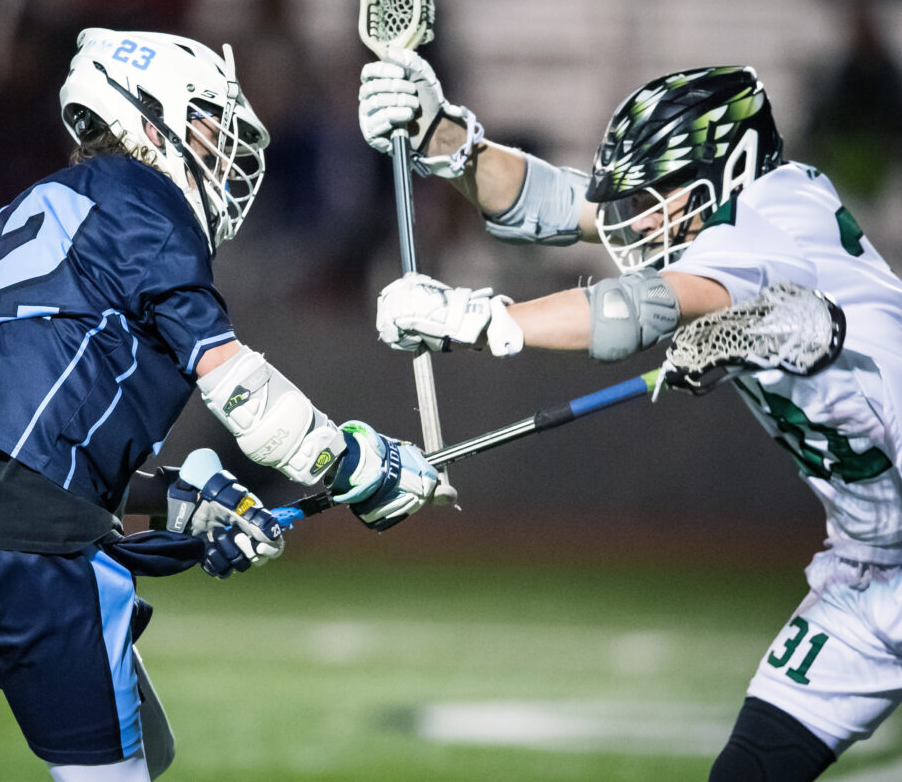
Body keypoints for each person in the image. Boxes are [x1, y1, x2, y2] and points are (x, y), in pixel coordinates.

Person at [0, 28, 440, 782]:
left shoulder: (23, 211)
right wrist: (356, 463)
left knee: (147, 747)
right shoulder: (142, 196)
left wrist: (176, 497)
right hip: (26, 537)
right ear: (152, 114)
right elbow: (243, 392)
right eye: (212, 123)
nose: (226, 151)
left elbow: (17, 432)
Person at [358, 49, 902, 780]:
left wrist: (483, 318)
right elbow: (559, 204)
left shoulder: (774, 213)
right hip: (870, 565)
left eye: (661, 191)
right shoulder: (724, 214)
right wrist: (448, 142)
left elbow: (639, 309)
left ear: (730, 165)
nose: (639, 215)